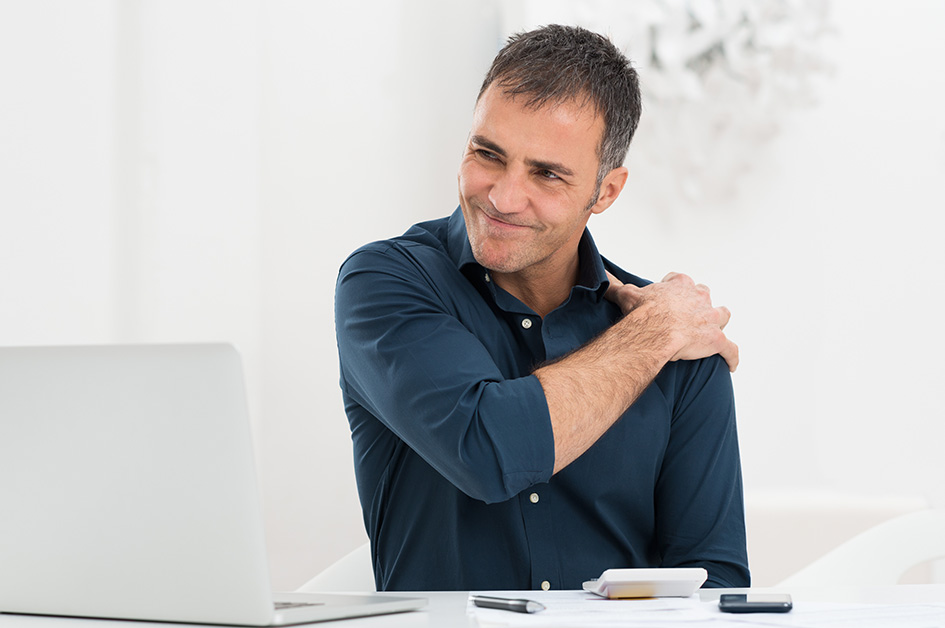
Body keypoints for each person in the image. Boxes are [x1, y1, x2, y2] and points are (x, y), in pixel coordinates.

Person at [334, 24, 749, 591]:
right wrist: (652, 336)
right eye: (488, 154)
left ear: (606, 191)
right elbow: (488, 449)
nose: (503, 197)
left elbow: (716, 581)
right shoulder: (386, 283)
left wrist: (660, 332)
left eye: (547, 174)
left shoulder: (684, 348)